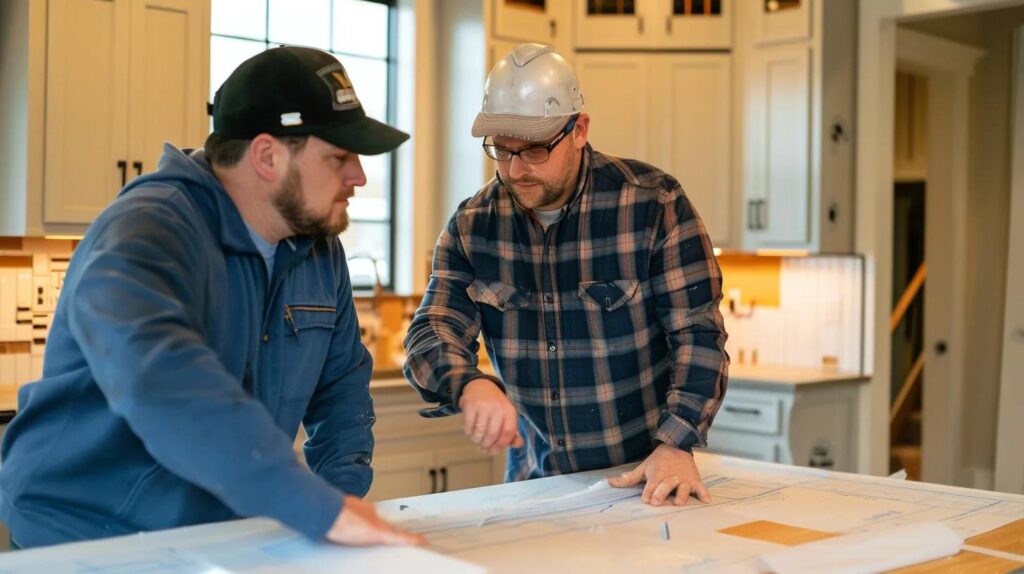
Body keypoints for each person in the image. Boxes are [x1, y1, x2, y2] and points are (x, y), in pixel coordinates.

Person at [0, 46, 423, 549]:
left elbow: (340, 389)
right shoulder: (148, 228)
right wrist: (314, 508)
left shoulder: (317, 248)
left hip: (211, 534)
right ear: (267, 156)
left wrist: (336, 510)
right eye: (339, 157)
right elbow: (161, 379)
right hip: (86, 538)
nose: (359, 177)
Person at [404, 43, 729, 507]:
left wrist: (676, 442)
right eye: (501, 149)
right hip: (536, 486)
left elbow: (698, 336)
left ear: (579, 130)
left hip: (646, 480)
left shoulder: (652, 205)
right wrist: (469, 383)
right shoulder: (472, 226)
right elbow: (431, 330)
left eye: (535, 149)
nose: (515, 171)